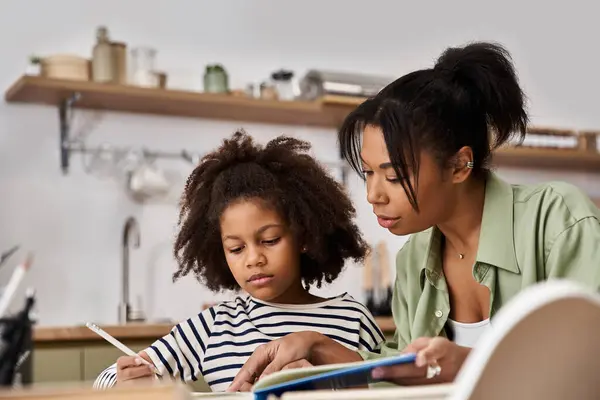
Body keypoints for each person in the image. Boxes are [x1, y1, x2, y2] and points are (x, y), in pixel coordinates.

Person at [227, 41, 600, 392]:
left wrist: (470, 364)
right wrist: (318, 348)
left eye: (393, 176)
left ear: (459, 165)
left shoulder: (557, 221)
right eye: (368, 173)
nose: (373, 195)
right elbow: (403, 376)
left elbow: (587, 367)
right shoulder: (415, 260)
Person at [93, 131, 384, 392]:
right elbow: (104, 382)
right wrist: (129, 382)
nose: (254, 259)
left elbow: (390, 388)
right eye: (236, 248)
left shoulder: (352, 318)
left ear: (304, 237)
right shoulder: (214, 326)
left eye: (269, 241)